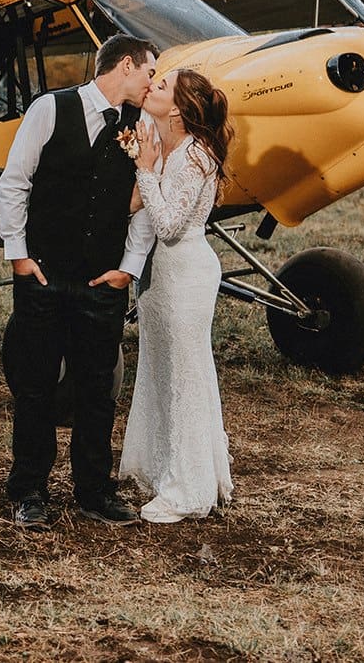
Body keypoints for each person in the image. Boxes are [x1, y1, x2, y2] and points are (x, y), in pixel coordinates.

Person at [0, 33, 159, 528]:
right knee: (35, 387)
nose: (153, 82)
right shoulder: (50, 108)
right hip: (43, 276)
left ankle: (95, 492)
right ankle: (28, 491)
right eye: (150, 71)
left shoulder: (142, 126)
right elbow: (15, 181)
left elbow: (144, 201)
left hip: (103, 281)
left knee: (97, 392)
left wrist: (128, 268)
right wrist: (18, 256)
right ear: (126, 65)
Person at [119, 68, 235, 523]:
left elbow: (168, 226)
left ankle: (188, 489)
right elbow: (139, 207)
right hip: (160, 279)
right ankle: (165, 466)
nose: (153, 86)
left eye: (163, 86)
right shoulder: (167, 147)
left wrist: (145, 170)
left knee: (185, 377)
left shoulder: (195, 155)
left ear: (179, 110)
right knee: (163, 373)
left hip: (185, 276)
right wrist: (143, 163)